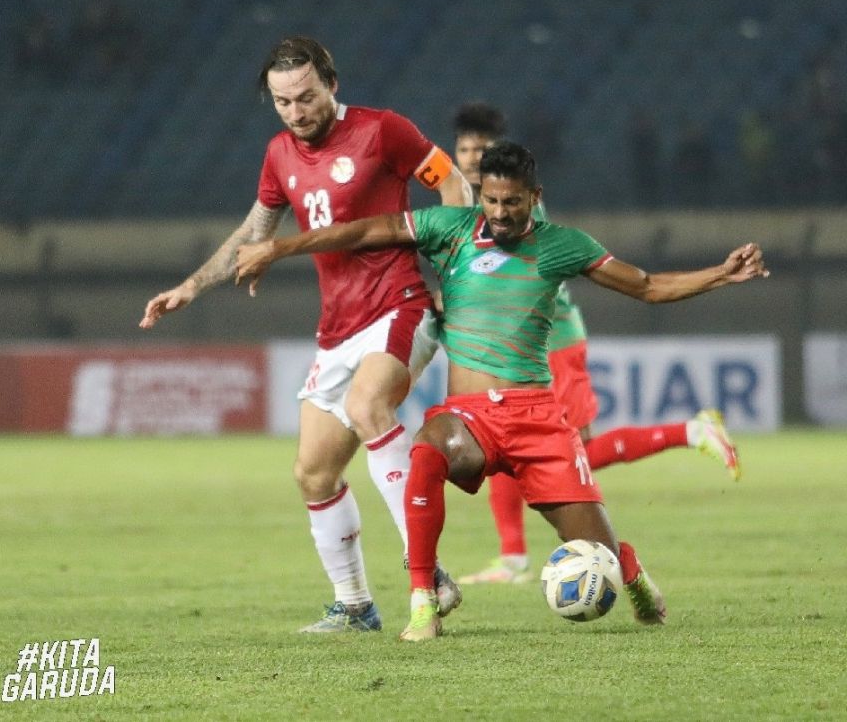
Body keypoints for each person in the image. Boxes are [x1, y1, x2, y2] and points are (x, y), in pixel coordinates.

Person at [234, 140, 769, 641]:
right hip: (471, 417)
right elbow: (361, 232)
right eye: (490, 199)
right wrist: (278, 248)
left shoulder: (563, 245)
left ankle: (627, 570)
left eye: (512, 201)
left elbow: (648, 287)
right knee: (426, 448)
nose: (501, 211)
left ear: (535, 197)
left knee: (595, 550)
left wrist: (720, 275)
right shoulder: (451, 228)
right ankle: (423, 598)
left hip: (537, 418)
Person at [140, 36, 473, 633]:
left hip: (400, 305)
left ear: (332, 84)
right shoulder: (278, 154)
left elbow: (453, 188)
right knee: (313, 473)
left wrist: (455, 267)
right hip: (337, 329)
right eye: (283, 102)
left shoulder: (384, 131)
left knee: (367, 405)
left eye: (307, 96)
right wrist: (192, 287)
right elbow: (256, 230)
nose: (297, 111)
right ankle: (354, 606)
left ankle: (426, 570)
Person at [451, 103, 743, 586]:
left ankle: (690, 433)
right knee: (507, 451)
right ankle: (513, 556)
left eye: (479, 150)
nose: (469, 158)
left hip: (550, 343)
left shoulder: (509, 212)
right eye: (463, 149)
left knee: (563, 456)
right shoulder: (473, 208)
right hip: (519, 348)